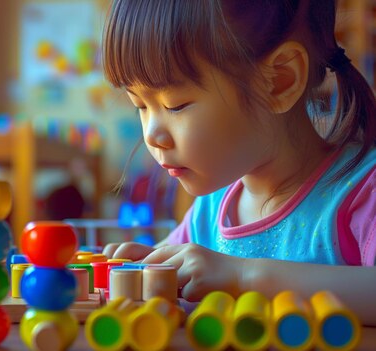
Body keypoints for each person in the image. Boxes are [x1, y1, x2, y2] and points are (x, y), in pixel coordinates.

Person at [101, 0, 376, 325]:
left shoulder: (360, 191)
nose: (152, 135)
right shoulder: (209, 210)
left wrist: (245, 277)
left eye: (175, 105)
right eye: (141, 106)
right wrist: (141, 269)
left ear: (279, 81)